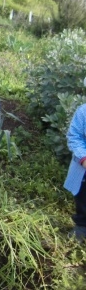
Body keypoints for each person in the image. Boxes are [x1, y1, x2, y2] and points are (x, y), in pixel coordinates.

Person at [64, 103, 86, 242]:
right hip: (84, 167)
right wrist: (83, 158)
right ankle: (82, 225)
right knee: (83, 195)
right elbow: (75, 136)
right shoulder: (83, 112)